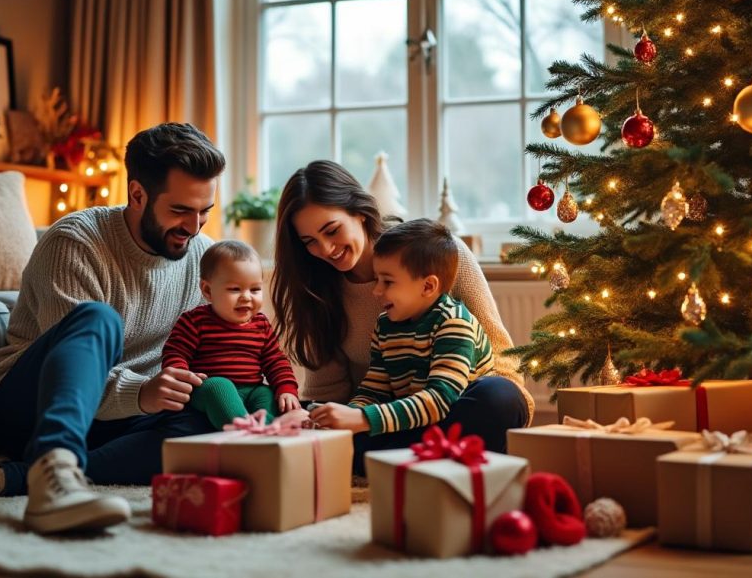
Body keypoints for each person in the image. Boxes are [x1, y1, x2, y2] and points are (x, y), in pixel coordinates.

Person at [0, 122, 225, 535]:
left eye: (205, 211)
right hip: (33, 403)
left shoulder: (204, 258)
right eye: (180, 210)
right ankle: (54, 469)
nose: (194, 226)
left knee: (210, 424)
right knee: (99, 318)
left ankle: (16, 477)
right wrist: (142, 393)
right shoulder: (76, 241)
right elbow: (70, 371)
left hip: (125, 417)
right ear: (137, 194)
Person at [272, 160, 535, 468]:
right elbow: (338, 395)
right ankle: (422, 457)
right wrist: (316, 417)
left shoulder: (436, 254)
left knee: (499, 396)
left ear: (359, 212)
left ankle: (390, 459)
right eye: (310, 242)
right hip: (386, 417)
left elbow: (502, 363)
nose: (326, 249)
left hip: (457, 405)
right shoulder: (322, 292)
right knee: (284, 413)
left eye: (332, 230)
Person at [310, 219, 507, 470]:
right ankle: (408, 457)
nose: (376, 291)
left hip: (451, 419)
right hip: (412, 421)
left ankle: (409, 457)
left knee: (497, 394)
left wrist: (361, 419)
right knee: (341, 437)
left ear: (428, 286)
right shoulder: (385, 325)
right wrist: (347, 419)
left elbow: (440, 400)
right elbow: (374, 389)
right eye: (377, 279)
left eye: (387, 282)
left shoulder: (454, 322)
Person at [162, 240, 301, 429]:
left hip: (251, 389)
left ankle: (265, 428)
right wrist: (182, 376)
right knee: (219, 386)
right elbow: (175, 353)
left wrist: (286, 389)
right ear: (208, 290)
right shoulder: (195, 321)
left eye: (255, 289)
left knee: (266, 393)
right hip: (207, 389)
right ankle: (242, 429)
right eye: (235, 289)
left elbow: (275, 360)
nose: (246, 297)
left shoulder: (261, 324)